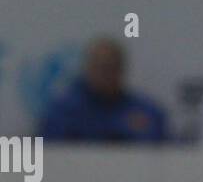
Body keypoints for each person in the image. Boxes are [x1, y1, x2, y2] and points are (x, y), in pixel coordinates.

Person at [40, 38, 168, 142]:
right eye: (99, 67)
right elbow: (51, 154)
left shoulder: (145, 111)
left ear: (121, 70)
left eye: (110, 67)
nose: (104, 74)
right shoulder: (63, 111)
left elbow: (163, 153)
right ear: (87, 68)